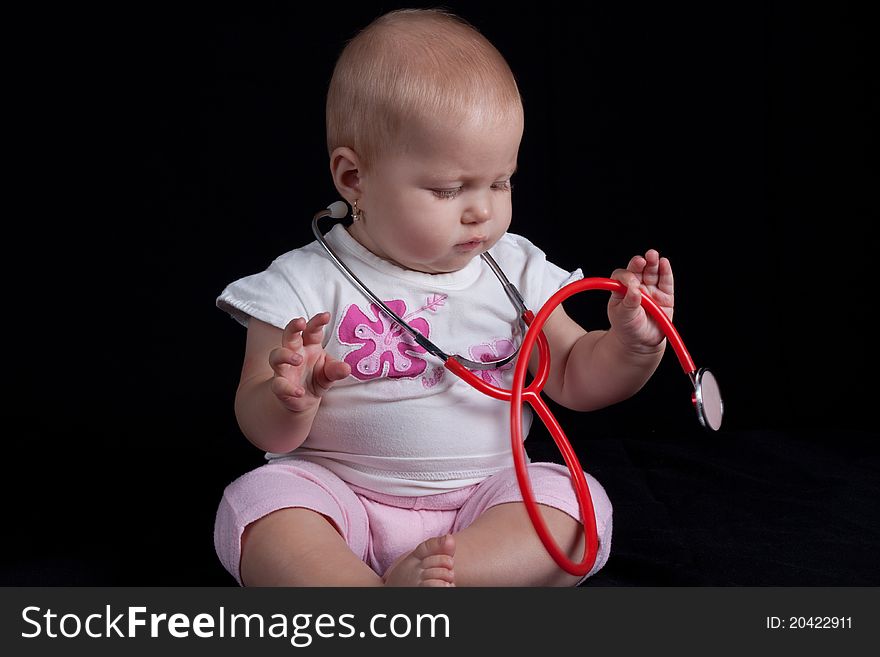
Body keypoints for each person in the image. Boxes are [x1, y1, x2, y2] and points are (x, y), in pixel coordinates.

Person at [214, 8, 674, 587]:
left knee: (576, 508)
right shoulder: (299, 286)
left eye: (500, 182)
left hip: (486, 505)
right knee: (263, 506)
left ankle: (452, 583)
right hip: (341, 503)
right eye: (448, 189)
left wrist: (634, 347)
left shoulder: (516, 270)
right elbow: (261, 429)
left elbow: (578, 382)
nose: (481, 209)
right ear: (353, 178)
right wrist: (287, 401)